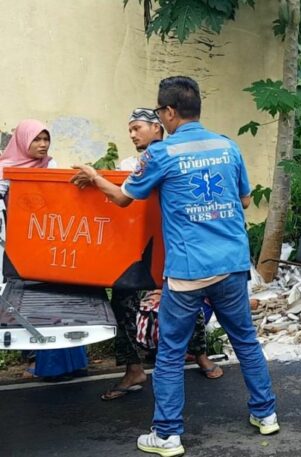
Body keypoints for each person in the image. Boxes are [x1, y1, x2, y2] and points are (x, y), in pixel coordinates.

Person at [71, 76, 278, 457]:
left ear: (167, 112)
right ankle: (265, 414)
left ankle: (166, 435)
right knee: (245, 341)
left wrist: (95, 176)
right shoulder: (228, 147)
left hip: (188, 270)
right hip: (232, 264)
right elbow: (246, 201)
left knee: (169, 352)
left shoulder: (160, 155)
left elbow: (122, 198)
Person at [101, 108, 223, 401]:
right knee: (122, 300)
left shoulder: (175, 156)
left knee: (185, 297)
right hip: (136, 248)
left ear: (158, 127)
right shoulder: (128, 165)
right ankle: (133, 367)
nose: (132, 134)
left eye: (138, 128)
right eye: (129, 129)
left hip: (171, 244)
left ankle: (200, 354)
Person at [0, 119, 88, 382]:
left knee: (59, 301)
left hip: (52, 241)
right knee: (36, 305)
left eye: (45, 139)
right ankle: (48, 366)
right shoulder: (5, 170)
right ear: (23, 141)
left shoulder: (51, 166)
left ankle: (74, 363)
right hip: (21, 247)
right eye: (36, 139)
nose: (42, 144)